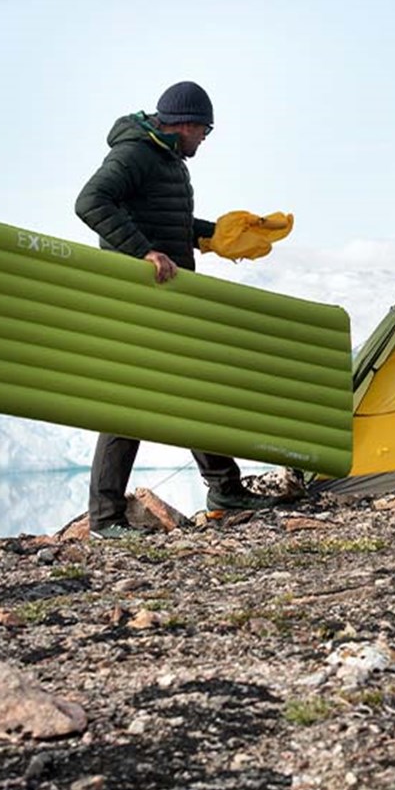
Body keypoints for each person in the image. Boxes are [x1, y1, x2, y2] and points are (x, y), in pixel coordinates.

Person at [74, 80, 279, 538]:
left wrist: (213, 236)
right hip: (134, 298)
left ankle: (225, 489)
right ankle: (105, 520)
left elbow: (163, 220)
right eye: (204, 130)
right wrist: (143, 252)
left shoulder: (164, 158)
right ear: (186, 123)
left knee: (193, 389)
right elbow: (90, 202)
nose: (205, 138)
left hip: (166, 297)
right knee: (127, 404)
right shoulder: (134, 154)